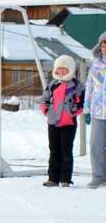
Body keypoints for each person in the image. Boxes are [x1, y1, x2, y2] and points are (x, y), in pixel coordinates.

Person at [41, 54, 84, 188]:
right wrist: (47, 110)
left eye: (65, 69)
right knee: (54, 150)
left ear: (70, 69)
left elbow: (81, 101)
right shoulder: (52, 84)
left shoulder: (77, 85)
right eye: (59, 68)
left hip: (68, 123)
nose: (61, 71)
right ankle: (53, 178)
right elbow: (45, 99)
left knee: (66, 150)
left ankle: (65, 179)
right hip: (53, 122)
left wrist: (73, 111)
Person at [86, 31, 106, 188]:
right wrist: (86, 108)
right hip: (97, 113)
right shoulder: (95, 65)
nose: (105, 48)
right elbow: (89, 87)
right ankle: (99, 176)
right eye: (103, 45)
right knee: (95, 146)